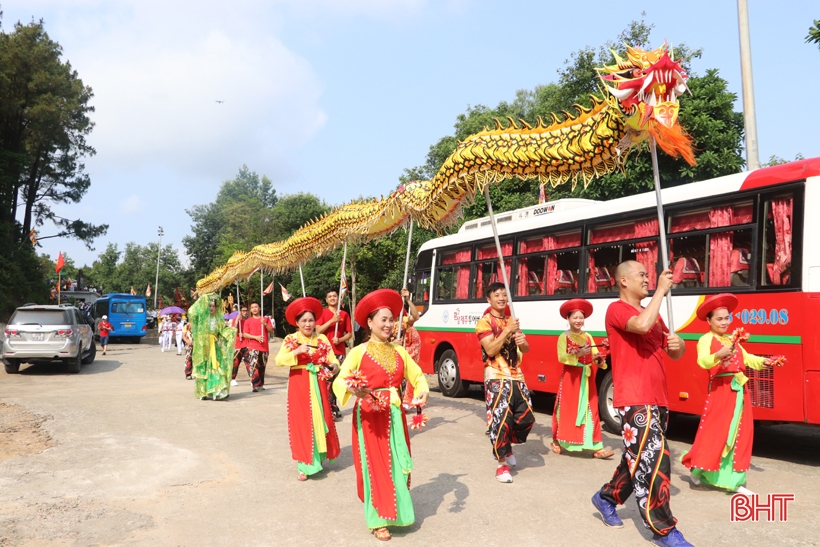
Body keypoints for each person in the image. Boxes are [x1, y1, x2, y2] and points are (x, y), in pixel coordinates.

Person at [591, 261, 691, 547]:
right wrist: (661, 289)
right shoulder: (617, 309)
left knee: (637, 458)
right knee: (655, 462)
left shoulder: (654, 315)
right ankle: (664, 530)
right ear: (623, 281)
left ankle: (606, 497)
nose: (648, 279)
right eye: (642, 275)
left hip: (658, 399)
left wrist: (678, 344)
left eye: (649, 276)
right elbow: (641, 325)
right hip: (634, 398)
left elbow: (674, 351)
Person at [332, 289, 429, 542]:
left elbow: (417, 376)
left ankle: (398, 514)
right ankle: (377, 520)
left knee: (396, 464)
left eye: (391, 319)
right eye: (383, 319)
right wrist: (352, 389)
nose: (389, 324)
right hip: (369, 416)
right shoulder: (358, 352)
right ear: (370, 323)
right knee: (375, 467)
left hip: (394, 416)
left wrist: (421, 391)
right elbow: (339, 381)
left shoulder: (400, 352)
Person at [681, 293, 780, 495]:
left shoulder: (731, 339)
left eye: (727, 318)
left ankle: (735, 482)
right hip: (721, 390)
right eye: (719, 318)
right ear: (709, 320)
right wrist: (718, 354)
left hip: (739, 392)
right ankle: (697, 468)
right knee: (714, 433)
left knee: (740, 434)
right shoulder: (706, 339)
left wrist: (766, 362)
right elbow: (703, 362)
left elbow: (747, 359)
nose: (724, 322)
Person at [275, 297, 341, 481]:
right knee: (302, 421)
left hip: (319, 382)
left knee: (321, 417)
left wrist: (335, 367)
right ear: (296, 323)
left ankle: (318, 457)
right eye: (303, 320)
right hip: (299, 382)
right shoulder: (291, 339)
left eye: (311, 320)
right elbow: (279, 360)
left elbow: (332, 359)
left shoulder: (322, 339)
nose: (308, 324)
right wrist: (296, 352)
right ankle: (304, 464)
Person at [475, 281, 534, 484]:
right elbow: (490, 349)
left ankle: (506, 446)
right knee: (501, 421)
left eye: (503, 294)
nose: (501, 298)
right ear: (488, 299)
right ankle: (501, 465)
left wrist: (522, 341)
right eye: (496, 295)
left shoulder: (512, 320)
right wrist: (507, 330)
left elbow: (525, 349)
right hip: (495, 377)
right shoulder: (484, 322)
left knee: (527, 418)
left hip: (517, 376)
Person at [552, 299, 614, 459]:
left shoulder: (588, 337)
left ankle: (596, 447)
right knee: (566, 410)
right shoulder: (563, 337)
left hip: (587, 380)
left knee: (591, 410)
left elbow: (594, 357)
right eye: (575, 318)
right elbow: (561, 357)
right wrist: (577, 355)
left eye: (581, 318)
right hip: (571, 379)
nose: (578, 321)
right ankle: (559, 441)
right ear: (568, 319)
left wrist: (600, 360)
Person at [189, 294, 236, 401]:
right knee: (203, 367)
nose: (211, 308)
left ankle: (217, 390)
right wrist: (203, 298)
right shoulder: (201, 318)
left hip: (214, 347)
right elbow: (191, 312)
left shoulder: (219, 319)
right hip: (203, 346)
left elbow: (222, 332)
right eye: (209, 306)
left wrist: (230, 331)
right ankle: (203, 391)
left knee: (217, 367)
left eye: (213, 306)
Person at [317, 288, 353, 419]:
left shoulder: (344, 314)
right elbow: (318, 330)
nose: (332, 298)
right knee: (327, 381)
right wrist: (332, 321)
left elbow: (349, 333)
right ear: (326, 300)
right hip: (325, 352)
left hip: (339, 352)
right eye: (330, 296)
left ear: (338, 298)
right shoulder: (322, 313)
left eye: (334, 296)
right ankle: (329, 407)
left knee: (337, 380)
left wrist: (340, 340)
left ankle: (334, 405)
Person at [392, 287, 421, 407]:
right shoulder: (383, 323)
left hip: (402, 353)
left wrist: (408, 300)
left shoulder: (403, 321)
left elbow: (415, 317)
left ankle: (405, 400)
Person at [239, 302, 274, 392]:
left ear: (260, 308)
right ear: (251, 310)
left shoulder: (265, 319)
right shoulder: (248, 321)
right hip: (253, 347)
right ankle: (255, 385)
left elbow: (271, 331)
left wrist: (265, 324)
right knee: (254, 366)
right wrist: (256, 337)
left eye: (256, 307)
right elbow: (245, 334)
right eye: (252, 307)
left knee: (262, 366)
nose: (254, 309)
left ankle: (261, 384)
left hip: (264, 347)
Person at [230, 305, 249, 387]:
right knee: (235, 362)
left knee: (249, 362)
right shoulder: (235, 320)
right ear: (240, 311)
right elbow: (233, 331)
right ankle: (232, 379)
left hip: (247, 344)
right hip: (238, 344)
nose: (245, 312)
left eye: (246, 310)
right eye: (243, 310)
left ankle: (253, 379)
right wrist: (237, 321)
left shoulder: (248, 321)